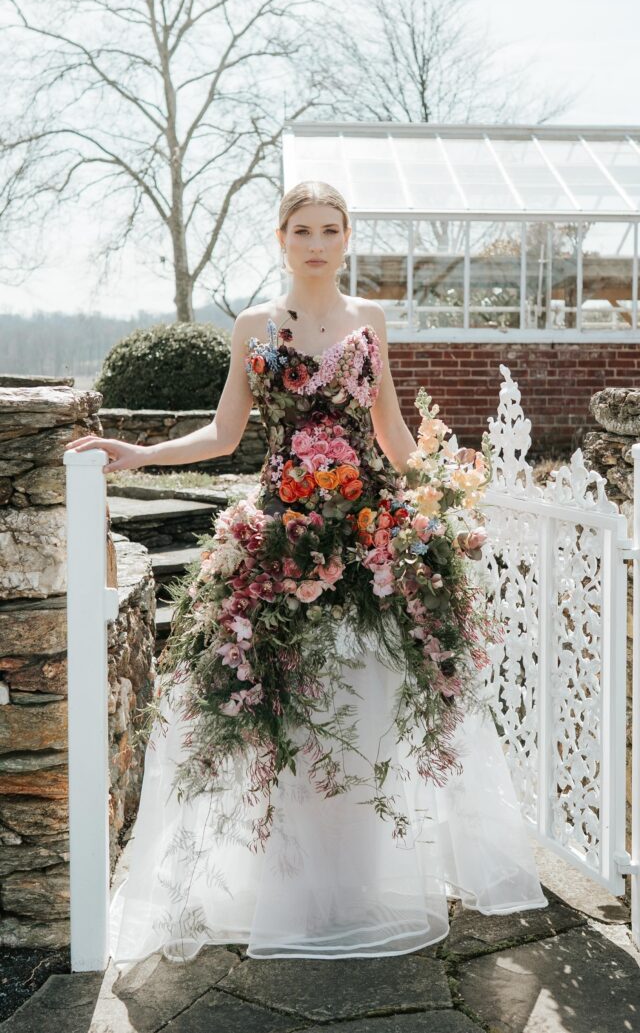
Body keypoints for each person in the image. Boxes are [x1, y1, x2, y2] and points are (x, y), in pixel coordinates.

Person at [65, 180, 548, 970]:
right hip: (278, 538)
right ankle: (290, 888)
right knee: (282, 712)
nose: (316, 243)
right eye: (302, 230)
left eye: (330, 229)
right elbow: (226, 433)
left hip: (368, 536)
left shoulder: (371, 320)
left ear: (347, 237)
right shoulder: (252, 326)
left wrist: (449, 480)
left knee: (364, 705)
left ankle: (353, 884)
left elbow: (392, 434)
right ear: (281, 239)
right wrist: (141, 452)